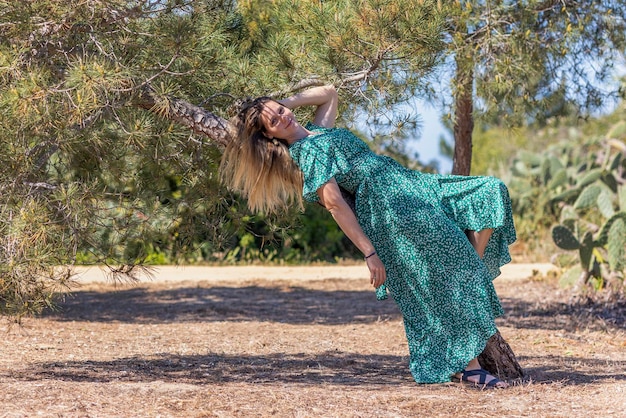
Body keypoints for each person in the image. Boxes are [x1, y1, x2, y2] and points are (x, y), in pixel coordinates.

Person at [220, 85, 516, 388]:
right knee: (440, 282)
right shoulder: (307, 152)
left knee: (489, 190)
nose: (283, 118)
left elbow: (329, 92)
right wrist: (370, 253)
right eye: (274, 122)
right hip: (389, 204)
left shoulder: (318, 131)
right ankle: (467, 366)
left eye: (282, 111)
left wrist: (272, 105)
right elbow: (335, 204)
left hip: (411, 182)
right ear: (269, 136)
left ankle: (470, 274)